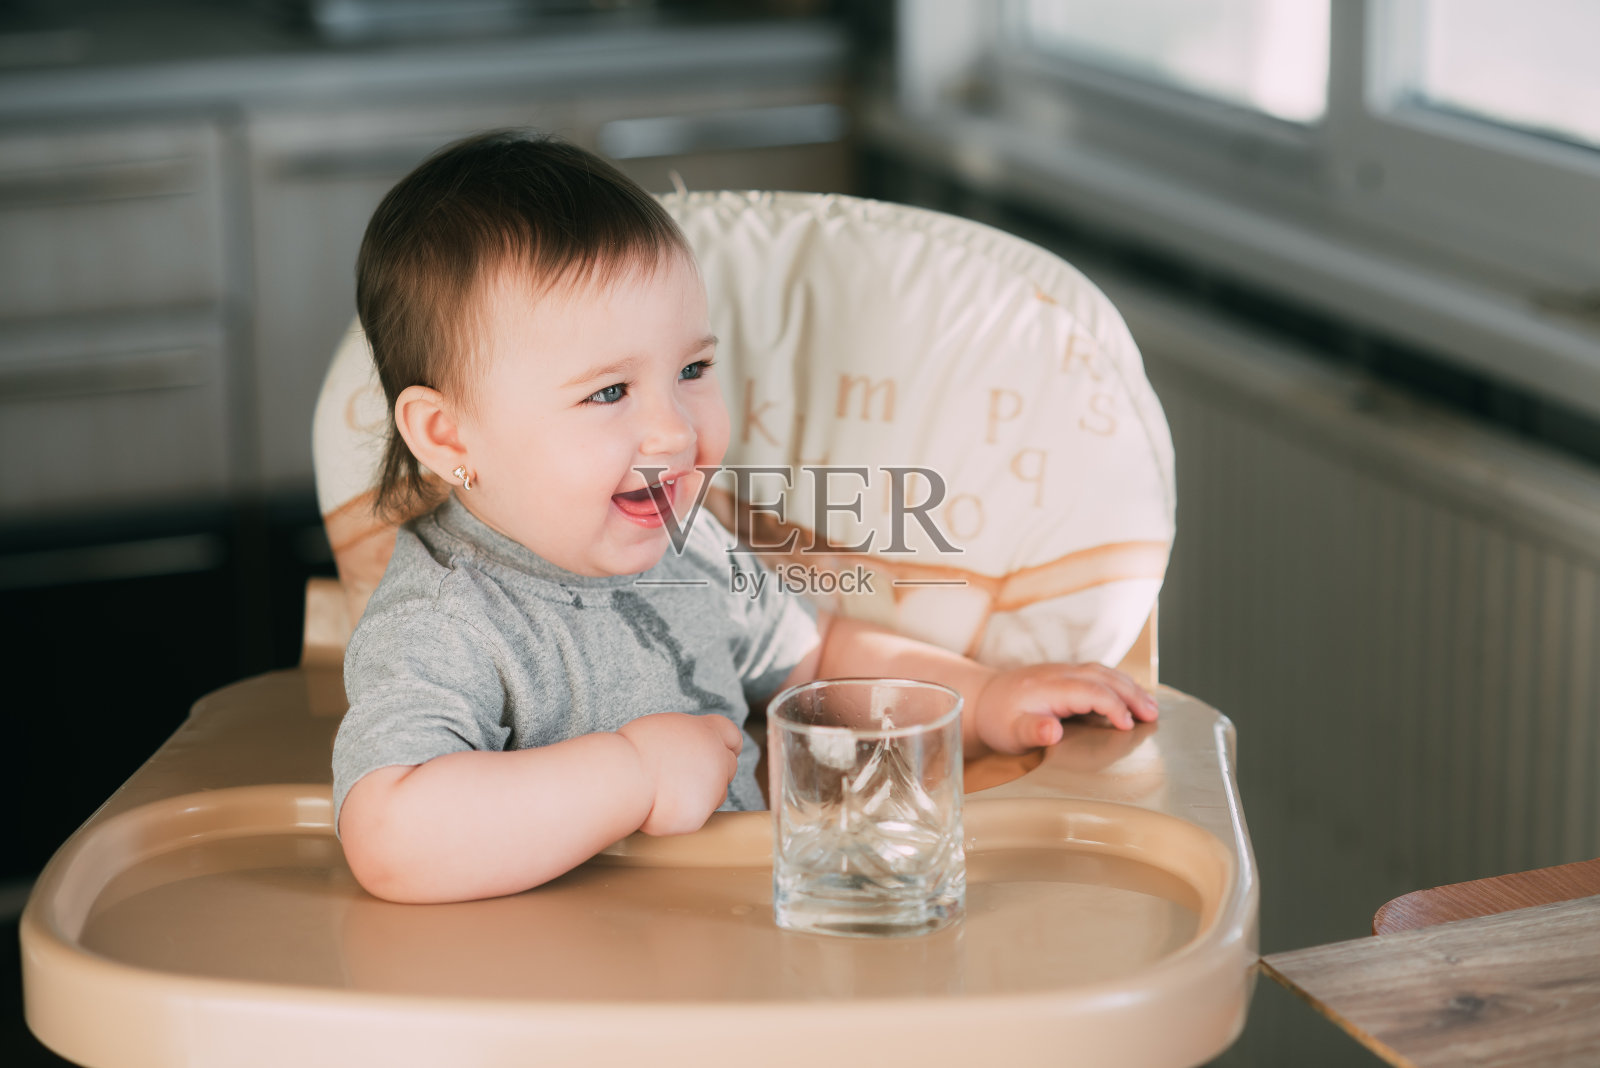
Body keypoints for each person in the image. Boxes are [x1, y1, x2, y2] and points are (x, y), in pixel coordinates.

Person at [333, 131, 1160, 905]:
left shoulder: (686, 544)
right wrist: (633, 775)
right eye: (609, 392)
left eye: (692, 368)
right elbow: (390, 832)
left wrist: (983, 701)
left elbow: (816, 661)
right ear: (448, 435)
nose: (676, 429)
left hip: (730, 942)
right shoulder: (445, 622)